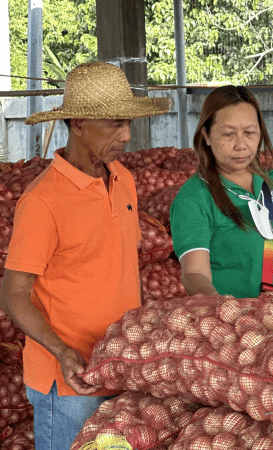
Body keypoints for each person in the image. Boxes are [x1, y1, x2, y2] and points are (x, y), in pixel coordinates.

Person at [0, 62, 170, 450]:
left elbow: (126, 267)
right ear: (77, 122)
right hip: (69, 384)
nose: (127, 135)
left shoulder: (123, 180)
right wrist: (62, 351)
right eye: (114, 123)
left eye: (127, 123)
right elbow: (12, 294)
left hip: (119, 366)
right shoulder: (43, 201)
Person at [170, 85, 273, 298]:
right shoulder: (196, 197)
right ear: (206, 135)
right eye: (228, 134)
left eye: (250, 133)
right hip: (241, 325)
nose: (241, 145)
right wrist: (223, 311)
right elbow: (195, 274)